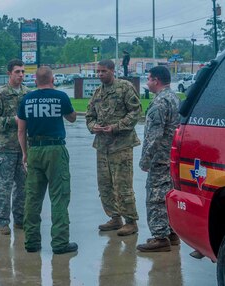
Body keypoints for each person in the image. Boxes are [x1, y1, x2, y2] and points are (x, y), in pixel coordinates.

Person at [17, 66, 78, 254]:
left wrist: (25, 153)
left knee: (33, 198)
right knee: (59, 196)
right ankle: (60, 243)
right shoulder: (61, 97)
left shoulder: (26, 100)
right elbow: (72, 118)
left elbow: (21, 130)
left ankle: (31, 242)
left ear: (35, 81)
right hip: (56, 149)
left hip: (34, 149)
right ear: (52, 79)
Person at [85, 59, 141, 236]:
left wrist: (116, 127)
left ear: (112, 71)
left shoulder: (124, 87)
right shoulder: (97, 93)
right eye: (98, 72)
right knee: (105, 185)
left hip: (121, 145)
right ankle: (115, 217)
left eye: (103, 71)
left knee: (122, 184)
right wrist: (93, 126)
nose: (100, 74)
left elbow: (136, 111)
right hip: (102, 146)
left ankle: (130, 221)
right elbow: (89, 115)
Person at [136, 66, 181, 252]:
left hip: (160, 158)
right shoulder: (175, 98)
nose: (147, 83)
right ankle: (172, 232)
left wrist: (145, 160)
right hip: (172, 158)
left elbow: (154, 135)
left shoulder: (160, 102)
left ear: (156, 80)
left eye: (148, 79)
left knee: (155, 197)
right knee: (169, 195)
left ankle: (159, 237)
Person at [0, 59, 31, 235]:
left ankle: (20, 219)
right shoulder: (0, 95)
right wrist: (12, 120)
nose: (21, 75)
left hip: (24, 149)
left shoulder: (28, 94)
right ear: (9, 74)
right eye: (17, 72)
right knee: (3, 187)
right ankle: (1, 222)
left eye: (23, 72)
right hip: (6, 148)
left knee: (23, 188)